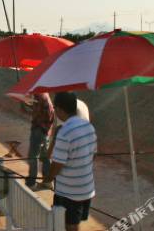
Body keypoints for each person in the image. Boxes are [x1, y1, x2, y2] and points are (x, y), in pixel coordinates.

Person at [43, 92, 97, 231]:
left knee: (68, 226)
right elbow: (93, 155)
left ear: (60, 109)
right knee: (74, 223)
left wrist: (48, 178)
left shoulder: (64, 132)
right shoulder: (89, 127)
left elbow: (57, 165)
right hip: (86, 188)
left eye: (55, 108)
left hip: (69, 192)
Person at [26, 92, 55, 189]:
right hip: (46, 131)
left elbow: (37, 114)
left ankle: (31, 183)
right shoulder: (45, 95)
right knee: (46, 156)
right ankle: (47, 181)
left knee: (33, 156)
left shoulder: (39, 96)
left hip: (38, 130)